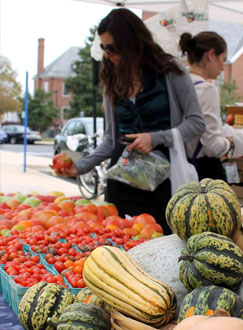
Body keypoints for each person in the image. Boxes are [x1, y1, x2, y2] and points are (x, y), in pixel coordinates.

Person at [52, 8, 205, 234]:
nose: (107, 55)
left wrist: (154, 138)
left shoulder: (171, 71)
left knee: (160, 245)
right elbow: (112, 139)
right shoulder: (111, 78)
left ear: (133, 42)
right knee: (118, 244)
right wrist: (80, 165)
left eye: (112, 48)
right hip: (121, 180)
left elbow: (197, 123)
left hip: (162, 181)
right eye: (104, 48)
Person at [179, 31, 233, 181]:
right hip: (202, 172)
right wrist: (229, 142)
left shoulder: (179, 84)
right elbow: (212, 146)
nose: (223, 67)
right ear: (211, 55)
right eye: (223, 59)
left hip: (179, 168)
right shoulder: (207, 90)